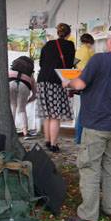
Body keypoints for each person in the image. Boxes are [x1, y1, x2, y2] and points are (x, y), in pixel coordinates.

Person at [63, 24, 111, 221]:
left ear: (110, 40)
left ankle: (88, 214)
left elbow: (80, 84)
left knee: (90, 168)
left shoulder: (99, 59)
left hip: (96, 123)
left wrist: (67, 82)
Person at [37, 22, 76, 152]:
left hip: (42, 80)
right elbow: (69, 65)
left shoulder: (48, 44)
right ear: (68, 34)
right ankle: (54, 144)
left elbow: (41, 63)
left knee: (47, 114)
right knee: (55, 115)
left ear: (57, 32)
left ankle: (47, 141)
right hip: (56, 81)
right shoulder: (70, 45)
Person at [73, 33, 96, 144]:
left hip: (79, 82)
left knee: (82, 110)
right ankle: (80, 137)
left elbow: (74, 65)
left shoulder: (78, 51)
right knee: (85, 111)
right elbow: (93, 68)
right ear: (90, 42)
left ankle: (78, 137)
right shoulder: (90, 51)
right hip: (89, 84)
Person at [9, 55, 37, 136]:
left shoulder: (11, 71)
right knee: (21, 110)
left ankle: (11, 130)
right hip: (24, 86)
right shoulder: (30, 75)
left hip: (11, 83)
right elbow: (35, 92)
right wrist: (29, 100)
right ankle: (25, 133)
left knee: (12, 106)